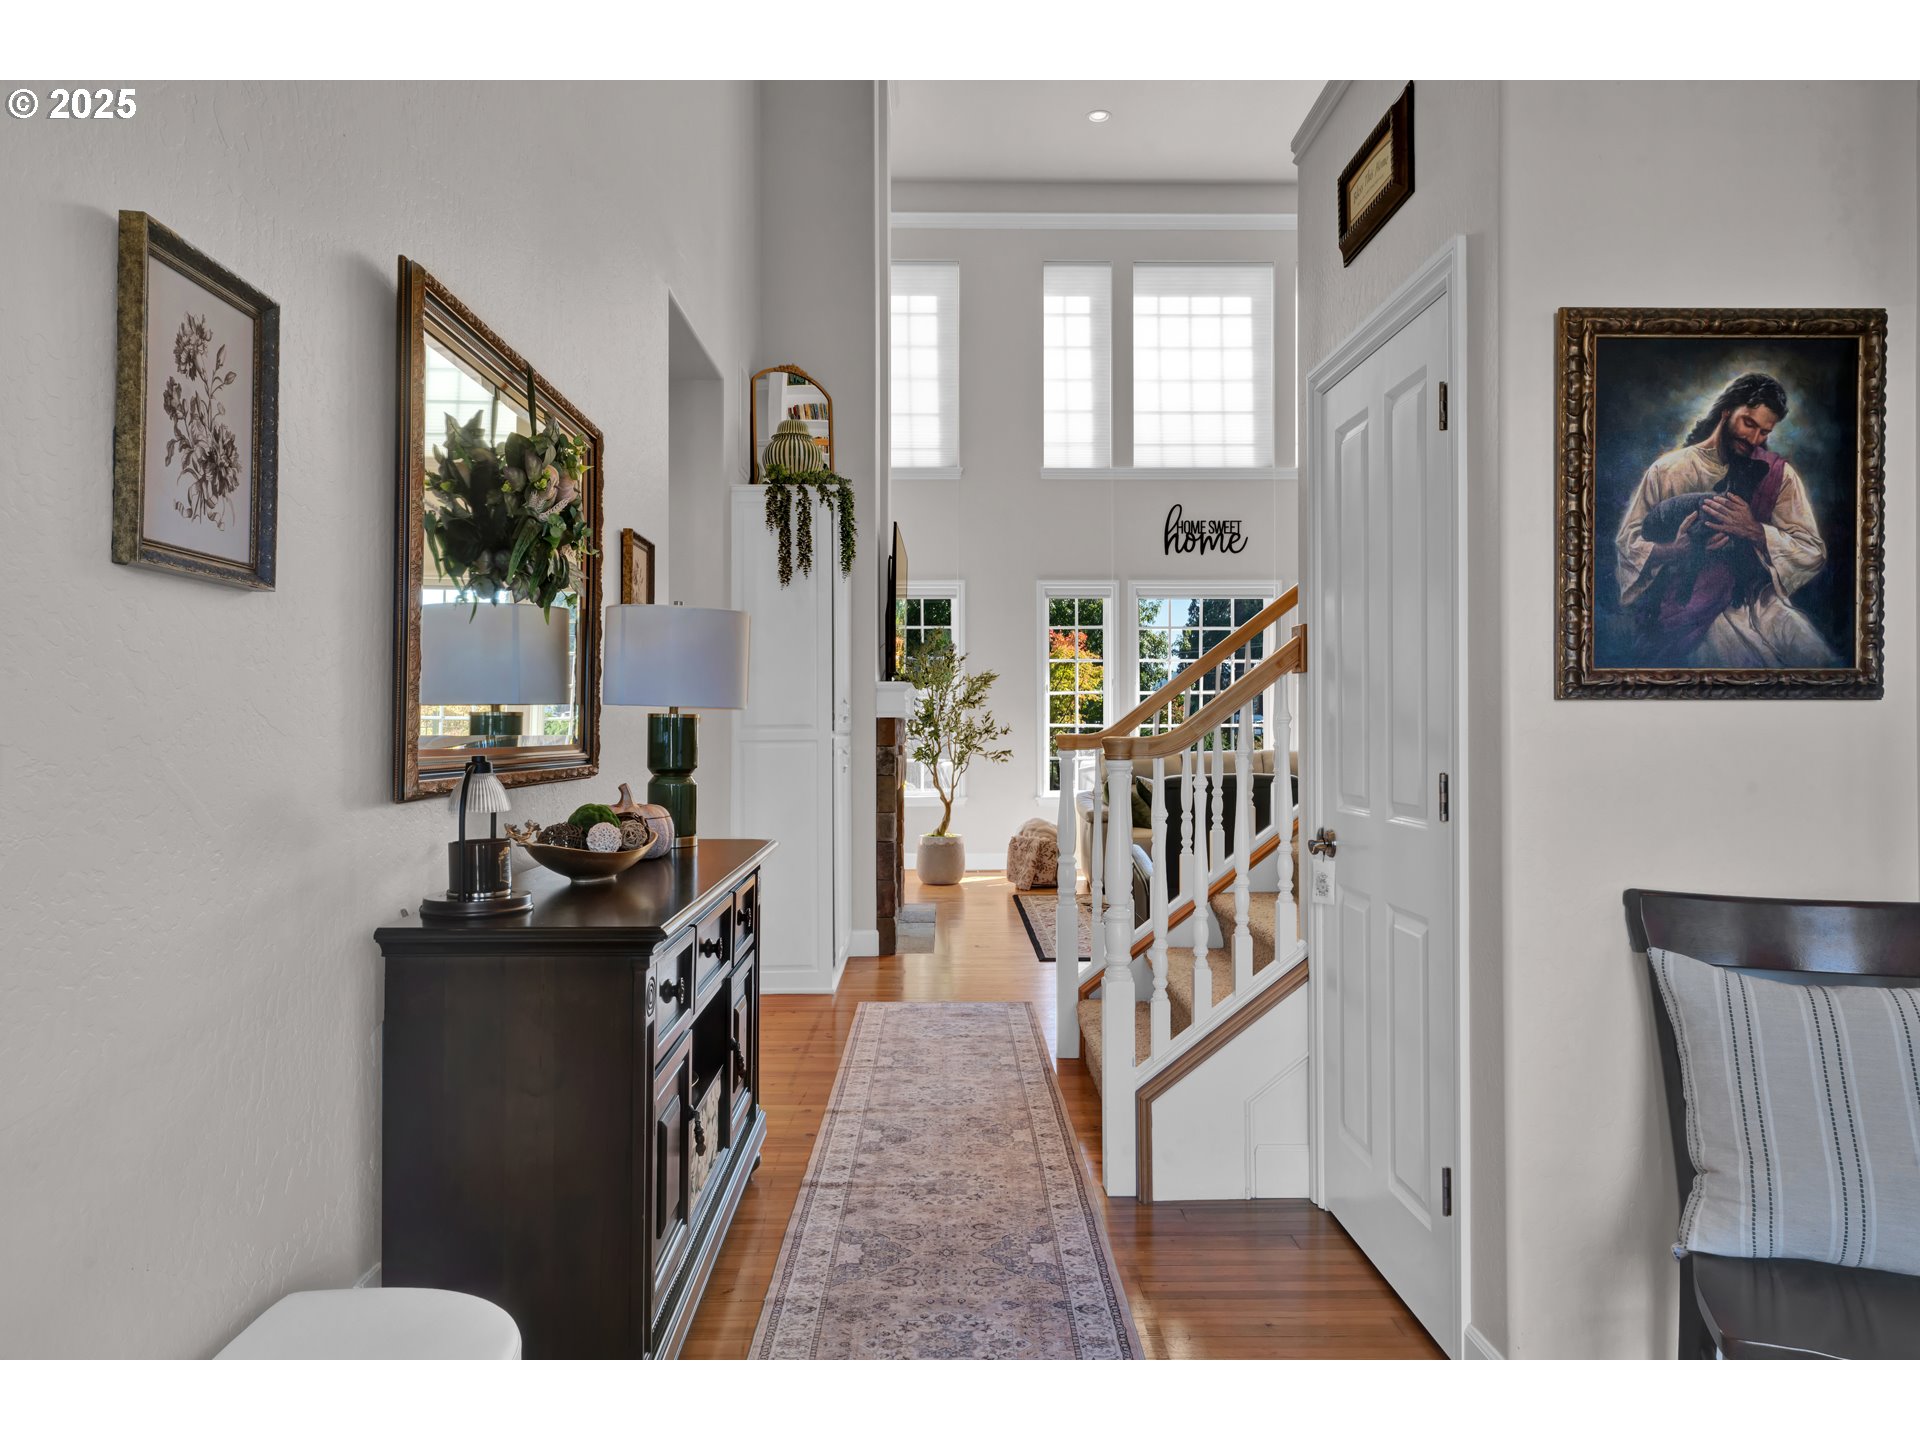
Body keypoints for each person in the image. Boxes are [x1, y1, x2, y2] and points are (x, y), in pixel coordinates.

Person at [1614, 372, 1837, 667]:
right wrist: (1674, 550)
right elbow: (1627, 545)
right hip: (1690, 605)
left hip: (1760, 602)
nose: (1755, 439)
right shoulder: (1668, 471)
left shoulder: (1776, 475)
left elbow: (1811, 550)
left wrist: (1755, 531)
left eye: (1765, 432)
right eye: (1749, 423)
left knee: (1818, 659)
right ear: (1727, 410)